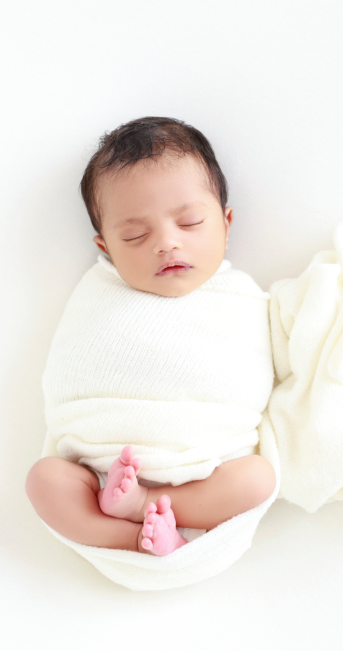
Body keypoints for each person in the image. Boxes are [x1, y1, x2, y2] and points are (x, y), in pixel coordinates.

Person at [25, 117, 276, 556]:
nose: (166, 243)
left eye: (190, 222)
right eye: (135, 235)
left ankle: (145, 506)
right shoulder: (100, 291)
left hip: (207, 464)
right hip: (100, 466)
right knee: (44, 480)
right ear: (106, 248)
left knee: (258, 479)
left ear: (226, 223)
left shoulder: (243, 297)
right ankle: (133, 540)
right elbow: (73, 371)